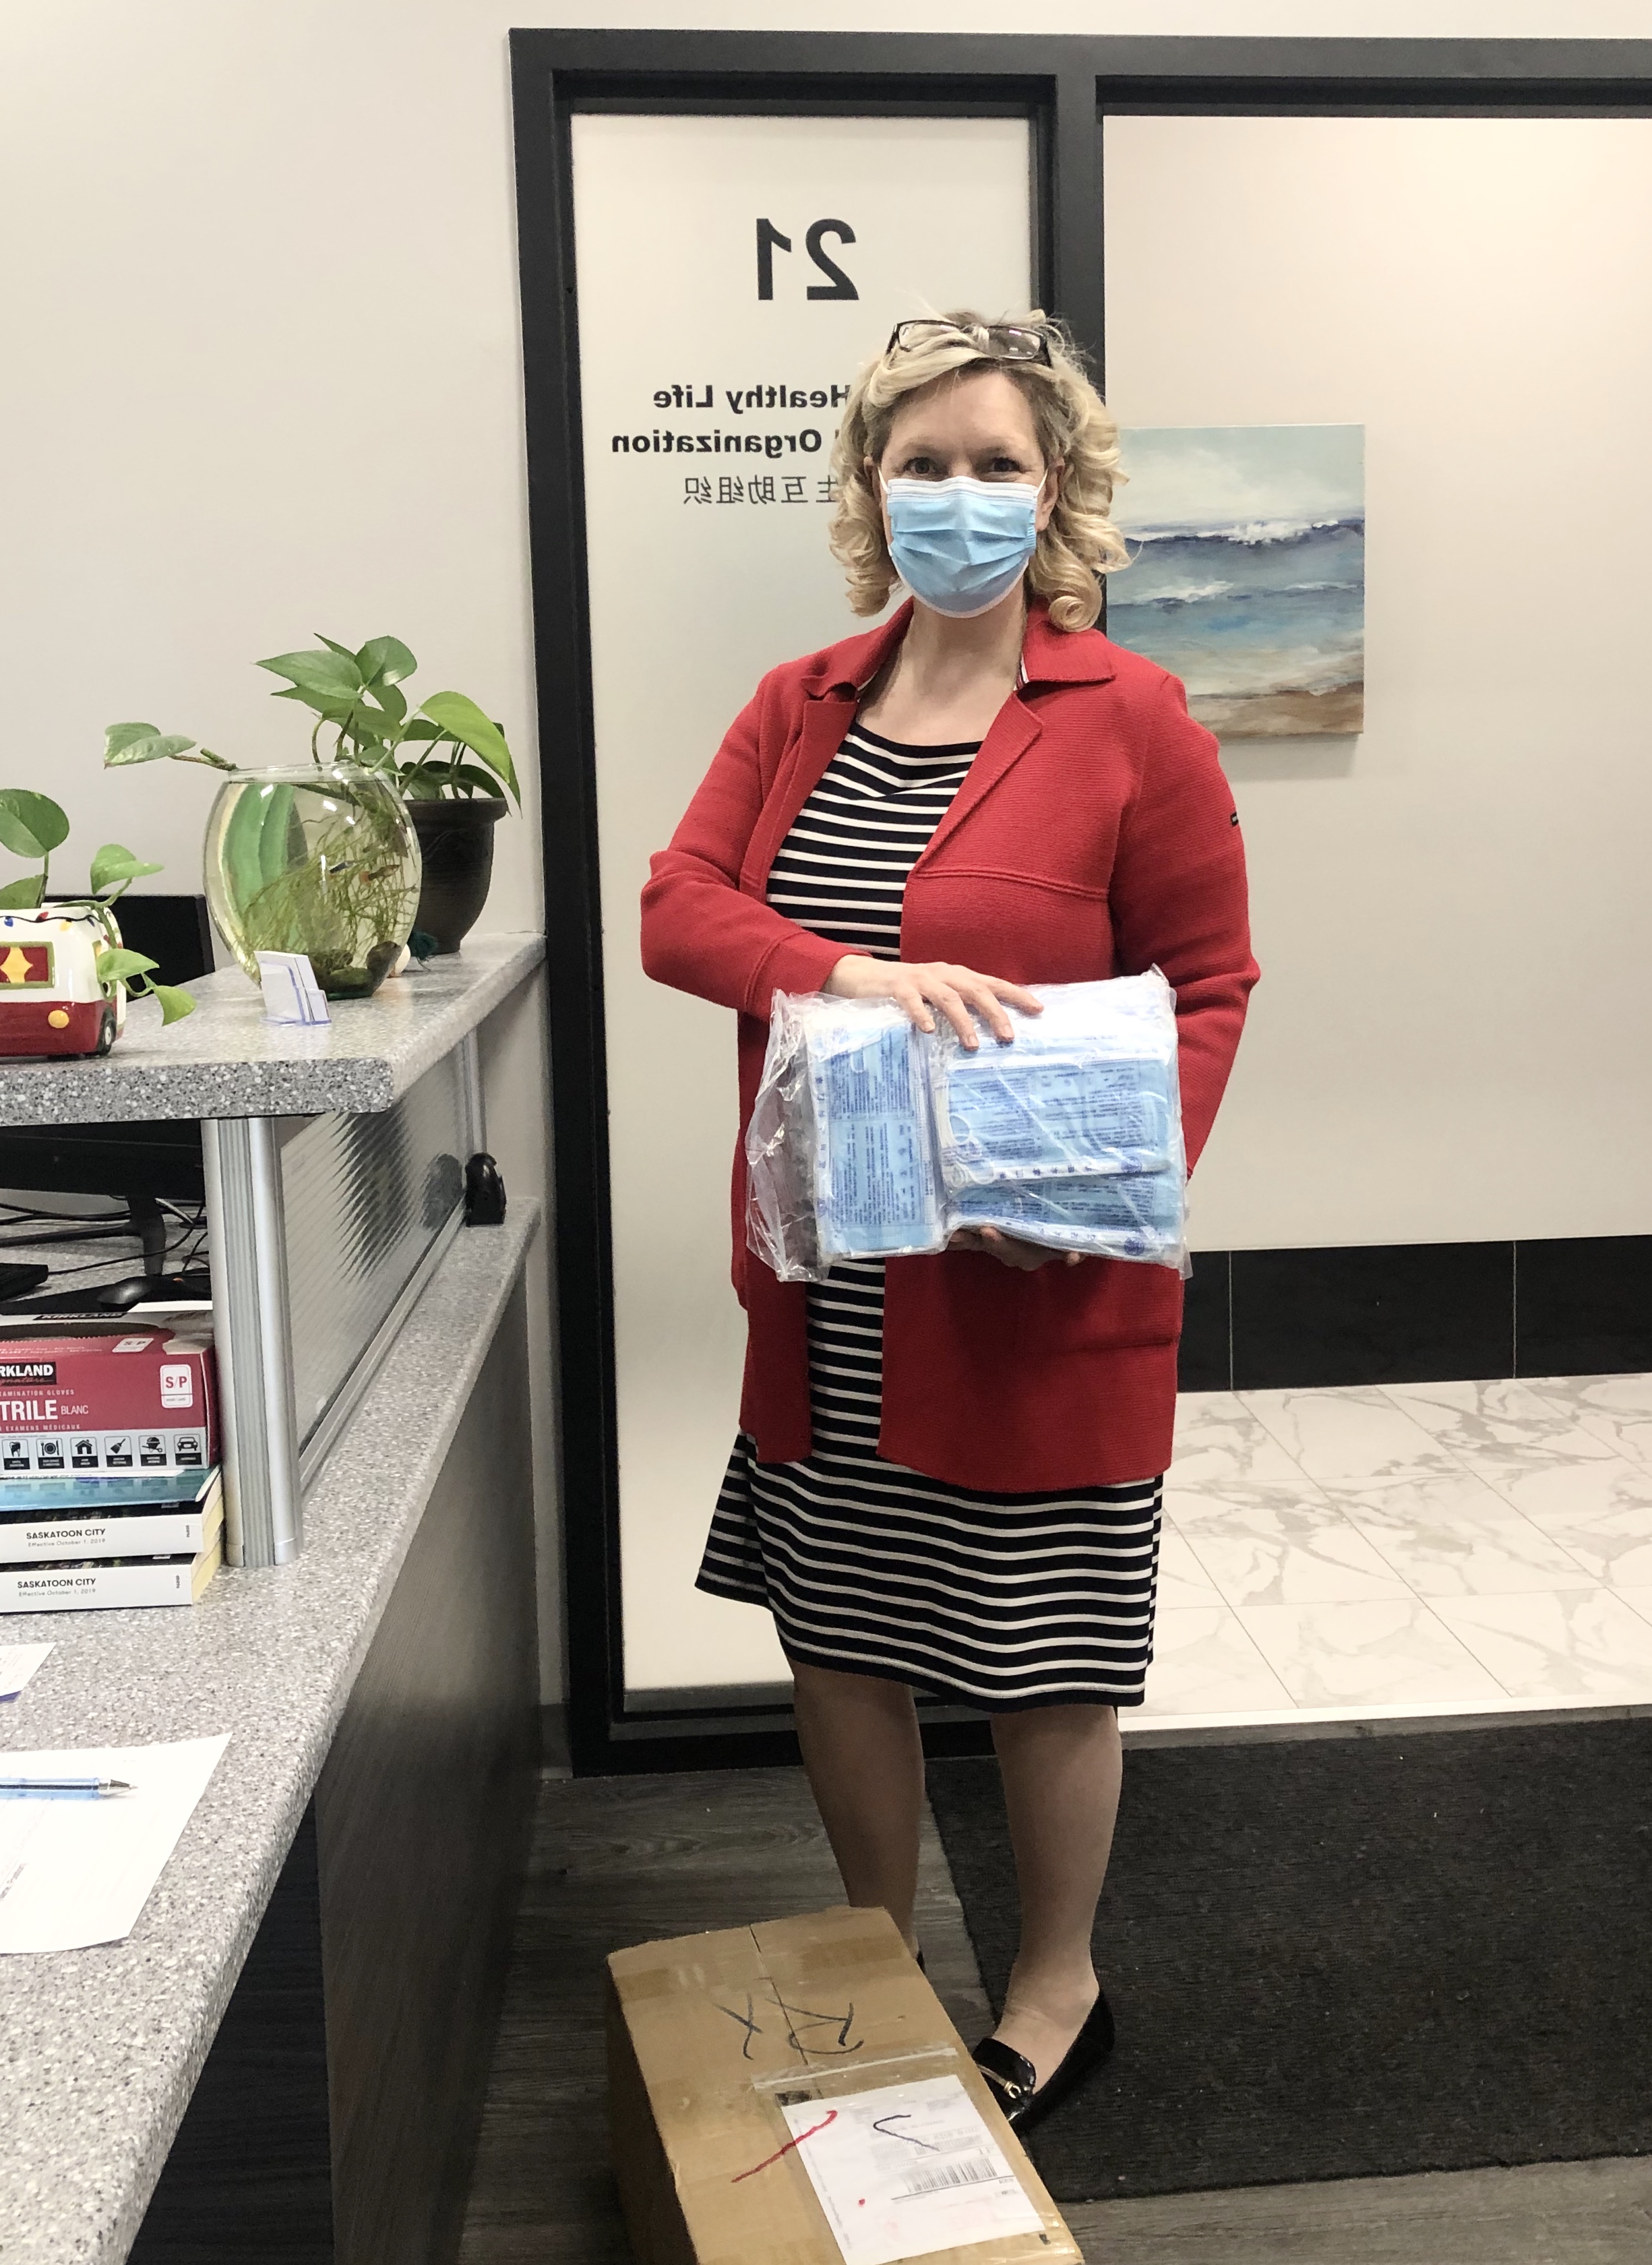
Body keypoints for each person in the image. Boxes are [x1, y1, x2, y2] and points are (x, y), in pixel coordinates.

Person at [640, 310, 1258, 2132]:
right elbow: (677, 909)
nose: (961, 495)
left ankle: (1058, 1985)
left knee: (1040, 1649)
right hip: (834, 1271)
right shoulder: (800, 702)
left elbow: (1208, 984)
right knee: (840, 1634)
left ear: (1054, 491)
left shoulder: (1130, 717)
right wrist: (854, 971)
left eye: (998, 464)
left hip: (1030, 1280)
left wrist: (1107, 1189)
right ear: (870, 483)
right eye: (926, 463)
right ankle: (875, 1956)